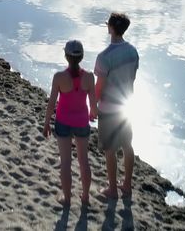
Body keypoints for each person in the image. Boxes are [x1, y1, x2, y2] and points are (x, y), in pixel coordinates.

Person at [43, 39, 97, 208]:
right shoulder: (89, 77)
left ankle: (67, 200)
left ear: (66, 56)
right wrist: (91, 114)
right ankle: (86, 197)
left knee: (65, 162)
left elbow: (52, 103)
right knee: (84, 161)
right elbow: (93, 106)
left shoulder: (59, 77)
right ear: (82, 56)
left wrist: (46, 123)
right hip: (81, 122)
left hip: (63, 122)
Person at [93, 12, 139, 201]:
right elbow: (132, 78)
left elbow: (99, 87)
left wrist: (92, 106)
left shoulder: (104, 57)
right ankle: (126, 185)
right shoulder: (133, 51)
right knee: (127, 145)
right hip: (126, 106)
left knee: (110, 149)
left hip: (109, 110)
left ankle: (112, 189)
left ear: (110, 28)